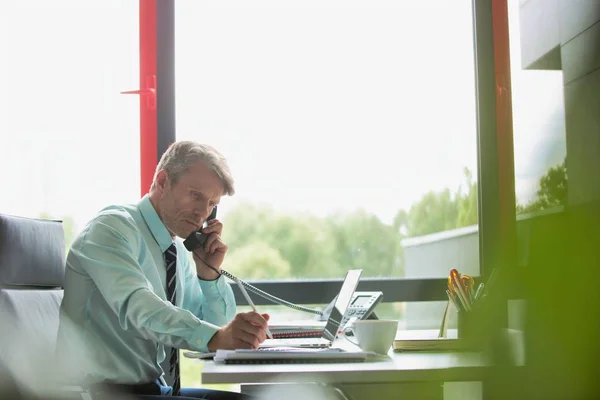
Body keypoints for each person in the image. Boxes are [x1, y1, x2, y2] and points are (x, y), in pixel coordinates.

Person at [56, 141, 270, 399]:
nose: (203, 213)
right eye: (195, 195)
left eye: (212, 203)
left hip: (152, 390)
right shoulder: (111, 230)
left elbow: (216, 333)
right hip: (97, 393)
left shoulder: (176, 251)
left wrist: (209, 274)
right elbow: (140, 308)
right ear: (162, 181)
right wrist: (217, 336)